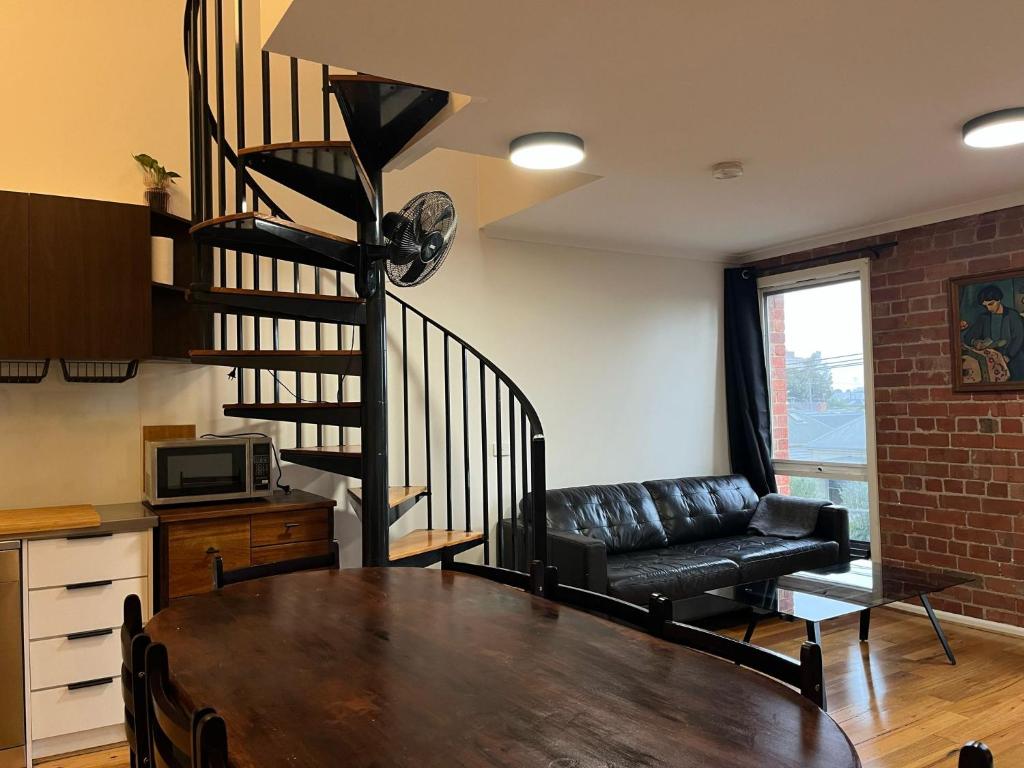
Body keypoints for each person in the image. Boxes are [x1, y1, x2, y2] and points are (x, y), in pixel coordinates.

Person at [960, 284, 1024, 379]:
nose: (989, 309)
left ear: (999, 300)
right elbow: (968, 337)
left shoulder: (1012, 315)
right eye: (985, 306)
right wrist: (975, 342)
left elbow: (1019, 338)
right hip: (991, 361)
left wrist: (1008, 356)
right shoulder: (983, 318)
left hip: (1013, 359)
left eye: (991, 304)